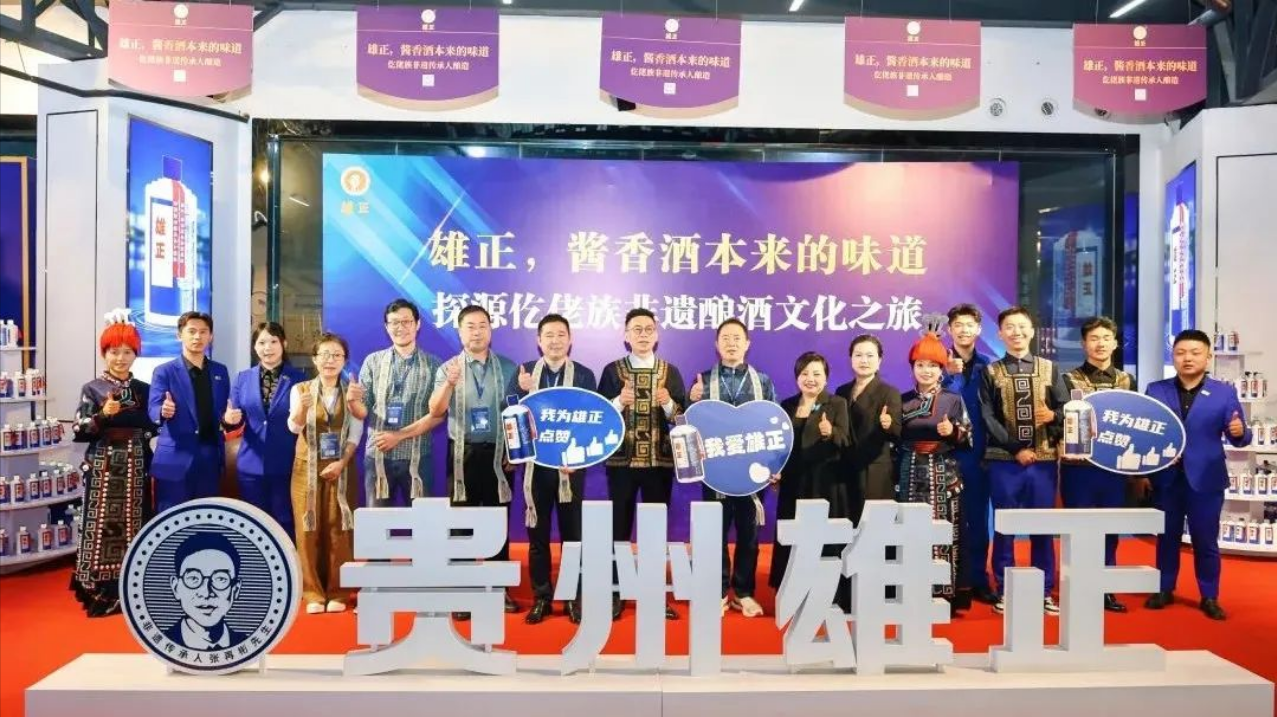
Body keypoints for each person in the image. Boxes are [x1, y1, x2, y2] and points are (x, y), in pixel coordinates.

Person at [1143, 329, 1251, 621]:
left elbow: (1241, 436)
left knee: (1206, 540)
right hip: (1166, 478)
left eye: (1195, 353)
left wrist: (1240, 432)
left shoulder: (1224, 392)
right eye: (1180, 353)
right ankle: (1163, 588)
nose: (1187, 358)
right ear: (1173, 357)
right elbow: (1145, 432)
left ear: (1208, 356)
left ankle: (1209, 595)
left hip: (1206, 479)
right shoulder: (1156, 390)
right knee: (1166, 537)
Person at [506, 314, 597, 625]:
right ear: (539, 340)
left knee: (573, 537)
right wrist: (521, 392)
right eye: (549, 335)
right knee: (538, 537)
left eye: (561, 334)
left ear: (570, 339)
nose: (555, 340)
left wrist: (579, 459)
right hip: (536, 469)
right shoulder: (524, 372)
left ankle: (572, 598)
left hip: (570, 469)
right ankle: (542, 598)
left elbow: (592, 420)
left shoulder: (584, 375)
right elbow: (510, 412)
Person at [429, 305, 520, 615]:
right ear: (460, 332)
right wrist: (449, 383)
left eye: (483, 325)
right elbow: (436, 410)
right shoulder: (448, 368)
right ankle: (463, 593)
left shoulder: (509, 367)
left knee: (497, 523)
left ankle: (499, 589)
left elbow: (516, 412)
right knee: (461, 526)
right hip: (462, 456)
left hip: (499, 455)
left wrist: (515, 452)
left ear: (491, 330)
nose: (477, 332)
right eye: (470, 326)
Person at [597, 308, 688, 620]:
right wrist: (619, 402)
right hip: (621, 463)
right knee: (618, 530)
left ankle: (653, 594)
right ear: (626, 335)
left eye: (649, 329)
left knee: (654, 532)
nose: (643, 334)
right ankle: (616, 593)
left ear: (657, 334)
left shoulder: (670, 372)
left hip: (659, 464)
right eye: (637, 329)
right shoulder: (612, 371)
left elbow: (682, 418)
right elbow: (599, 415)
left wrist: (668, 403)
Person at [978, 306, 1069, 615]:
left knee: (1042, 528)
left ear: (1031, 332)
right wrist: (1016, 447)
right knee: (1005, 528)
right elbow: (987, 416)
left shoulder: (1050, 368)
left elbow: (1066, 408)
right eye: (1009, 327)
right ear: (1000, 334)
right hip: (1004, 461)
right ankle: (1006, 589)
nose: (1016, 332)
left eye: (1022, 326)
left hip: (1043, 462)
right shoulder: (991, 372)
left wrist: (1053, 415)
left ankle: (1044, 591)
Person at [688, 318, 778, 618]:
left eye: (737, 337)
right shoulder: (702, 380)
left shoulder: (762, 381)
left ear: (747, 343)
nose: (731, 343)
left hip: (752, 473)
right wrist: (691, 400)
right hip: (715, 472)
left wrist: (774, 464)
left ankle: (743, 591)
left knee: (749, 533)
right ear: (716, 344)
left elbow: (775, 424)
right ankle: (716, 591)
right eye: (725, 337)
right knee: (714, 533)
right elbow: (687, 426)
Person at [69, 314, 159, 617]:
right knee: (100, 531)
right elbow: (79, 430)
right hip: (103, 469)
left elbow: (154, 426)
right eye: (114, 351)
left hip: (136, 467)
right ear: (104, 353)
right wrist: (102, 415)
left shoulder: (145, 389)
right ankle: (101, 593)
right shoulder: (92, 388)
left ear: (136, 354)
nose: (120, 358)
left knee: (137, 526)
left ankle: (133, 588)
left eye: (127, 351)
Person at [1061, 316, 1137, 613]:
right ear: (1084, 344)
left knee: (1109, 530)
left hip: (1113, 469)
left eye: (1106, 338)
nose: (1100, 343)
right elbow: (1060, 421)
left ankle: (1105, 588)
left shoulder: (1127, 381)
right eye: (1094, 338)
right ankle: (1076, 585)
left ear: (1115, 343)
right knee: (1076, 528)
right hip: (1078, 468)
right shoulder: (1068, 379)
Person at [288, 332, 364, 614]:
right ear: (314, 359)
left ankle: (339, 592)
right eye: (324, 355)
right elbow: (293, 427)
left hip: (340, 467)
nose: (330, 360)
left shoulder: (352, 390)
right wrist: (301, 410)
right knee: (307, 527)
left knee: (339, 527)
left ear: (344, 360)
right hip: (306, 467)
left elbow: (356, 432)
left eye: (337, 355)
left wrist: (342, 463)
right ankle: (313, 593)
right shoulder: (301, 389)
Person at [898, 328, 971, 614]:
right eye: (920, 365)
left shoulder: (953, 399)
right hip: (910, 472)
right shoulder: (901, 400)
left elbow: (969, 437)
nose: (926, 371)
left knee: (945, 532)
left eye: (932, 365)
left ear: (942, 369)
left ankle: (945, 594)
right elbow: (894, 439)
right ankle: (911, 591)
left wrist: (952, 431)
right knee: (910, 533)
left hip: (944, 472)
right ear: (912, 368)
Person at [770, 352, 851, 609]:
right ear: (797, 378)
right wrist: (775, 471)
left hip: (824, 483)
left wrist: (831, 432)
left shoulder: (836, 403)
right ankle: (790, 592)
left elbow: (846, 441)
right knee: (792, 537)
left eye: (817, 374)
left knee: (822, 539)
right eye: (805, 373)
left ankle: (825, 594)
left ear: (826, 378)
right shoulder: (787, 405)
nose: (810, 379)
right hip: (793, 483)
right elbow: (779, 445)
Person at [351, 298, 443, 507]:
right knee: (378, 522)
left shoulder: (434, 364)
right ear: (386, 327)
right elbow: (362, 411)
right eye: (394, 323)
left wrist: (399, 436)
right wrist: (352, 401)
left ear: (417, 324)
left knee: (423, 522)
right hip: (378, 457)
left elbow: (438, 415)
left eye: (406, 321)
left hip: (418, 458)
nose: (400, 327)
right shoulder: (373, 361)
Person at [224, 322, 306, 537]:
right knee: (253, 523)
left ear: (284, 344)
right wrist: (229, 419)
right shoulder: (242, 378)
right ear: (254, 347)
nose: (267, 348)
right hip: (250, 464)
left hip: (286, 463)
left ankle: (288, 559)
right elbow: (233, 418)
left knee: (285, 520)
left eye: (273, 341)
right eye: (261, 342)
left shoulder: (300, 379)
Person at [941, 303, 998, 605]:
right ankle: (946, 579)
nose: (964, 330)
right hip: (944, 453)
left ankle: (978, 578)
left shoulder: (989, 366)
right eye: (958, 325)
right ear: (949, 329)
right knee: (946, 520)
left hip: (978, 455)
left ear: (979, 329)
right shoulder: (936, 362)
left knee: (978, 519)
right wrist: (949, 375)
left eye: (969, 325)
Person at [148, 311, 232, 513]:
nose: (197, 337)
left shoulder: (220, 371)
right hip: (174, 459)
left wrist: (229, 419)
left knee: (205, 518)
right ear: (179, 335)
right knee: (170, 520)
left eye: (203, 332)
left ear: (210, 336)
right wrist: (163, 411)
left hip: (210, 458)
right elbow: (153, 408)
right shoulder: (164, 371)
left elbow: (224, 413)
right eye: (192, 331)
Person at [835, 335, 902, 522]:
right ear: (851, 359)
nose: (864, 360)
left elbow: (898, 431)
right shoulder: (842, 391)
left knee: (874, 526)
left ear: (879, 360)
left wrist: (888, 425)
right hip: (845, 468)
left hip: (875, 469)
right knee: (846, 523)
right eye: (858, 355)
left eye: (870, 355)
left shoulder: (889, 392)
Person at [165, 531, 246, 650]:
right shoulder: (163, 641)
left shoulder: (246, 644)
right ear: (176, 587)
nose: (206, 593)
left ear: (235, 589)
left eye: (220, 579)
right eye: (194, 578)